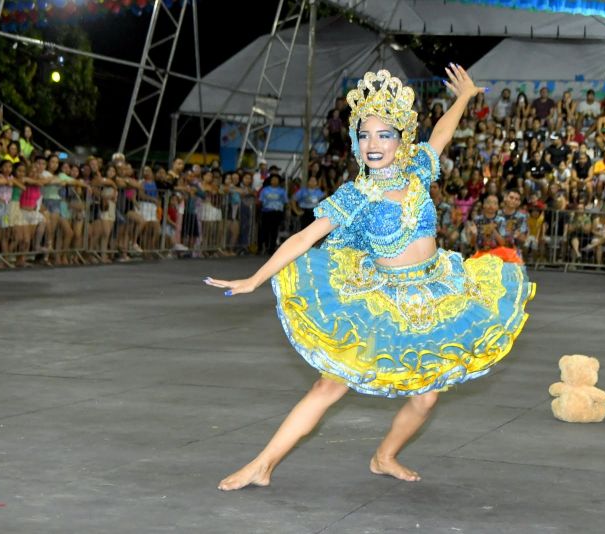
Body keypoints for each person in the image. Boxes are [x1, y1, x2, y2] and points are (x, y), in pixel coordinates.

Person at [204, 66, 534, 491]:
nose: (373, 144)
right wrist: (254, 278)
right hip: (383, 302)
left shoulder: (417, 169)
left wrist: (464, 98)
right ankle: (262, 464)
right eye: (364, 135)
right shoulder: (355, 195)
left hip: (438, 293)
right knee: (329, 386)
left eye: (383, 135)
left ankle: (384, 456)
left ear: (400, 139)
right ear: (356, 143)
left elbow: (441, 135)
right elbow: (304, 237)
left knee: (427, 396)